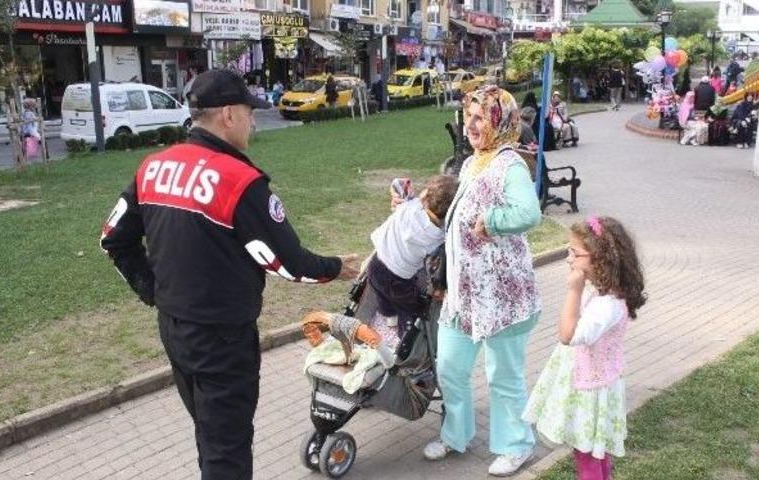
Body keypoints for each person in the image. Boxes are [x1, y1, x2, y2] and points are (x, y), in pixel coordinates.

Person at [99, 69, 360, 480]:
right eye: (248, 112)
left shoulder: (153, 167)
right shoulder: (240, 180)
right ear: (227, 115)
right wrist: (336, 268)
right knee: (227, 452)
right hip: (223, 340)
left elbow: (113, 240)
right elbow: (287, 262)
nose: (253, 121)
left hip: (174, 330)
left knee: (211, 435)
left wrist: (155, 292)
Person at [420, 85, 542, 477]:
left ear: (500, 121)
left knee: (503, 376)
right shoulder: (475, 161)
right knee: (451, 367)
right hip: (465, 295)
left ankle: (516, 445)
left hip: (502, 296)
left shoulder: (509, 164)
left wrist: (491, 221)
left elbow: (530, 212)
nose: (470, 125)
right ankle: (457, 435)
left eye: (479, 118)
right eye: (468, 117)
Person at [523, 216, 646, 480]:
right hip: (595, 383)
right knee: (594, 453)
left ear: (599, 259)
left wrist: (573, 291)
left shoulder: (607, 305)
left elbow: (567, 335)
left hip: (590, 390)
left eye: (575, 253)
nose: (569, 259)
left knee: (587, 454)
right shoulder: (606, 295)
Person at [368, 175, 458, 338]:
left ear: (424, 197)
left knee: (382, 294)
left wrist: (406, 186)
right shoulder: (438, 236)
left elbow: (398, 183)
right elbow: (436, 262)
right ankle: (405, 339)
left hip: (376, 264)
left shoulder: (409, 206)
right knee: (410, 306)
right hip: (399, 278)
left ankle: (389, 317)